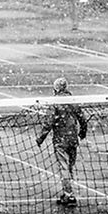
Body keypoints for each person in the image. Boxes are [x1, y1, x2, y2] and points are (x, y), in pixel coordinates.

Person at [35, 77, 88, 206]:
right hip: (73, 139)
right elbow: (82, 117)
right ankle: (68, 192)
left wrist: (41, 137)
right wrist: (82, 132)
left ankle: (69, 195)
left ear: (56, 89)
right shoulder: (72, 101)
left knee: (64, 167)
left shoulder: (55, 103)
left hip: (60, 139)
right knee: (70, 166)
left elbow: (49, 122)